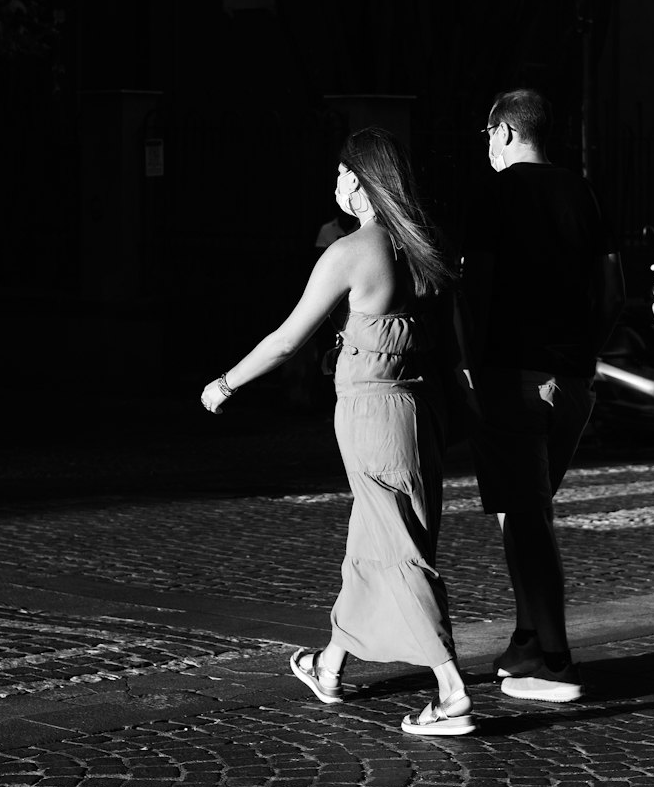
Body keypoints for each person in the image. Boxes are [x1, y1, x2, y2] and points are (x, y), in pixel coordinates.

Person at [201, 127, 474, 736]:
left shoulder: (355, 251)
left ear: (359, 179)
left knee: (398, 549)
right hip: (420, 411)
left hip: (374, 417)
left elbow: (286, 340)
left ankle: (452, 691)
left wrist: (224, 384)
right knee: (373, 540)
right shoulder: (424, 249)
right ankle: (330, 665)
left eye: (342, 173)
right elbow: (454, 345)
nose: (336, 184)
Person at [460, 88, 625, 703]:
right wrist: (581, 353)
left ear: (503, 132)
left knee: (524, 515)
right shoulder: (583, 190)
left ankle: (554, 660)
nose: (488, 149)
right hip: (573, 383)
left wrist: (470, 370)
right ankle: (529, 637)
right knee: (525, 508)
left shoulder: (495, 196)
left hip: (512, 377)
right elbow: (613, 292)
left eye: (487, 138)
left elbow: (474, 293)